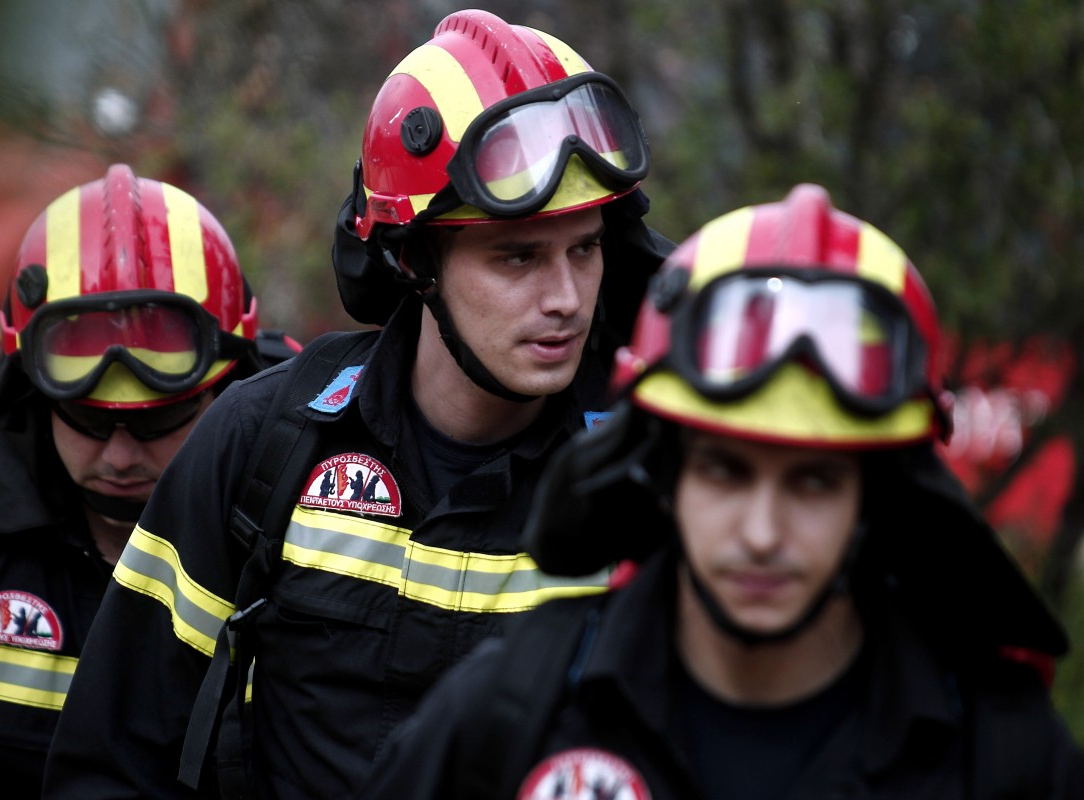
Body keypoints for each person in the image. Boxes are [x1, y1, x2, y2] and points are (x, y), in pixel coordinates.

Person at [43, 8, 673, 800]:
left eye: (586, 249)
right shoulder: (264, 442)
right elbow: (110, 761)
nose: (567, 299)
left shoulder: (647, 475)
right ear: (415, 259)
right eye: (518, 257)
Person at [357, 183, 1084, 799]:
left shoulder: (1000, 756)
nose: (762, 533)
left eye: (815, 481)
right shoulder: (515, 709)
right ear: (663, 473)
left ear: (876, 497)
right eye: (725, 471)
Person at [0, 163, 288, 800]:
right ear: (32, 386)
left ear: (227, 390)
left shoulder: (311, 532)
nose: (121, 456)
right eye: (86, 417)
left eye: (160, 417)